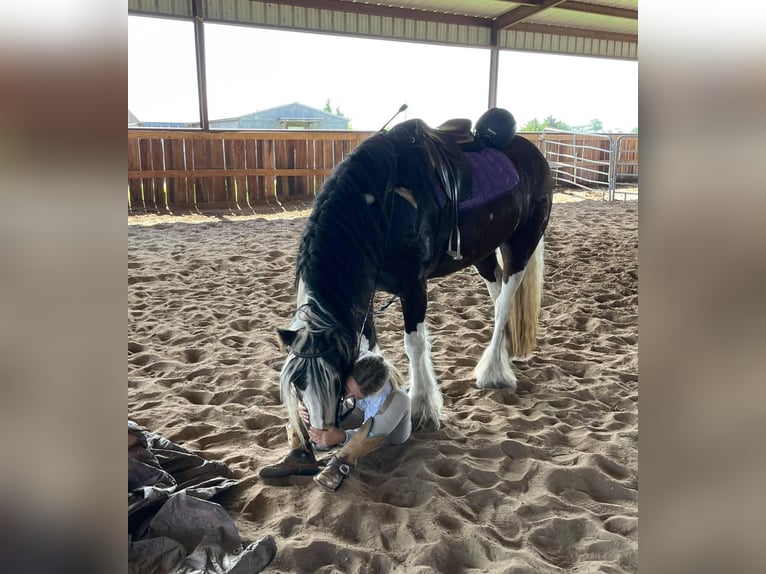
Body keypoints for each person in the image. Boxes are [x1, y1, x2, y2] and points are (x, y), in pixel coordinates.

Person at [259, 353, 411, 492]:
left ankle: (340, 465)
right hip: (358, 407)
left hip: (391, 433)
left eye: (355, 394)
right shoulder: (350, 364)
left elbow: (367, 429)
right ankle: (301, 454)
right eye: (347, 388)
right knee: (314, 399)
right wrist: (302, 406)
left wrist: (341, 437)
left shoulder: (381, 396)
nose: (347, 394)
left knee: (400, 400)